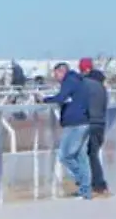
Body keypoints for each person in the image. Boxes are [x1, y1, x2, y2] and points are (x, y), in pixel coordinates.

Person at [40, 61, 93, 199]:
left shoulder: (69, 81)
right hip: (85, 121)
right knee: (81, 157)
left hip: (75, 124)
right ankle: (85, 191)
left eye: (56, 74)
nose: (55, 77)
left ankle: (84, 182)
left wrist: (44, 100)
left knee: (65, 155)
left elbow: (61, 97)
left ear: (61, 72)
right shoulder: (79, 81)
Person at [82, 60, 110, 197]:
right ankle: (97, 183)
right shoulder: (102, 88)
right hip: (101, 122)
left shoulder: (85, 85)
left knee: (89, 155)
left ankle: (97, 184)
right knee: (94, 153)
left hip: (89, 122)